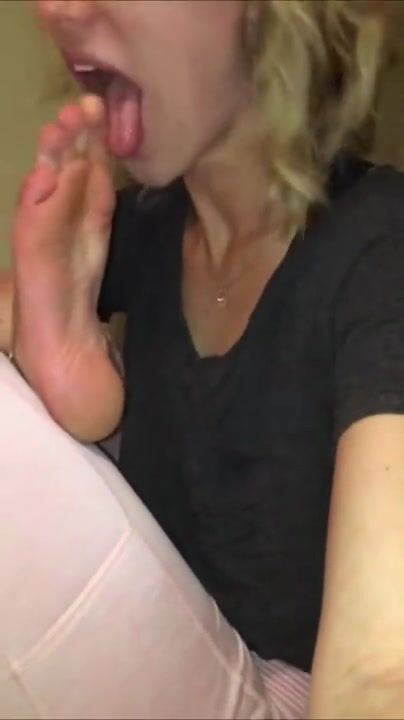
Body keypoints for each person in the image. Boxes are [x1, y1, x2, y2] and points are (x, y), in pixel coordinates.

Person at [1, 0, 404, 716]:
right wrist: (38, 326)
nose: (58, 6)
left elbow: (379, 678)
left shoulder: (383, 248)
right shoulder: (136, 228)